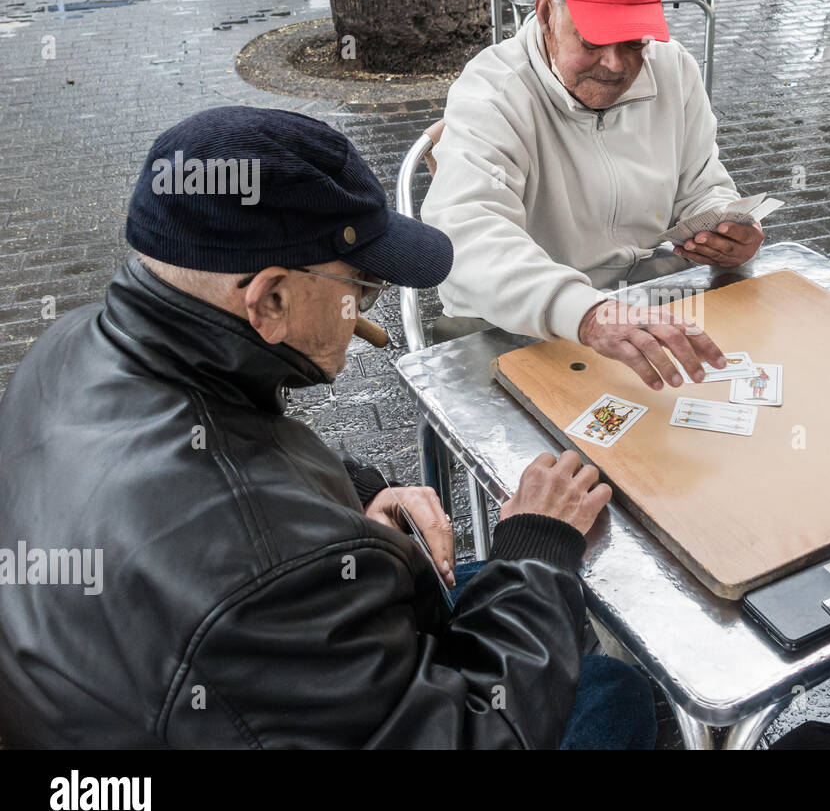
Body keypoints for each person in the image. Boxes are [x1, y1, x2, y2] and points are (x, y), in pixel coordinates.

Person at [0, 106, 656, 749]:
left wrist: (352, 496)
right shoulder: (267, 573)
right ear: (271, 298)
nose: (367, 315)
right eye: (361, 288)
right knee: (612, 693)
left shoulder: (74, 345)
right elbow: (469, 731)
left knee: (484, 586)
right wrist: (538, 549)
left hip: (158, 683)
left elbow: (239, 460)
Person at [421, 0, 763, 391]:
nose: (615, 64)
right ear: (545, 14)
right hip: (515, 312)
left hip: (643, 287)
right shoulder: (494, 91)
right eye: (592, 40)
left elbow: (702, 181)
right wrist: (585, 313)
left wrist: (727, 230)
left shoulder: (674, 66)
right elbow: (465, 236)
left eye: (634, 41)